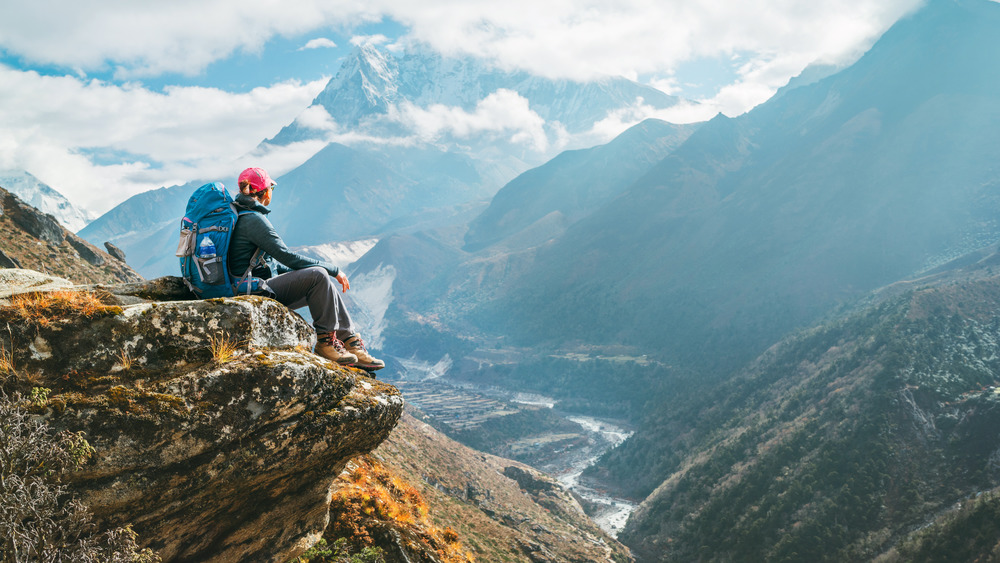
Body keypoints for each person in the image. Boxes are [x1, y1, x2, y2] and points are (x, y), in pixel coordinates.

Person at [227, 166, 384, 371]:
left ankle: (349, 341)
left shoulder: (242, 215)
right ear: (265, 192)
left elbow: (273, 265)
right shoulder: (254, 221)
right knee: (319, 276)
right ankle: (326, 343)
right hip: (249, 290)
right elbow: (289, 258)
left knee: (320, 280)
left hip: (248, 285)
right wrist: (333, 269)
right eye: (271, 188)